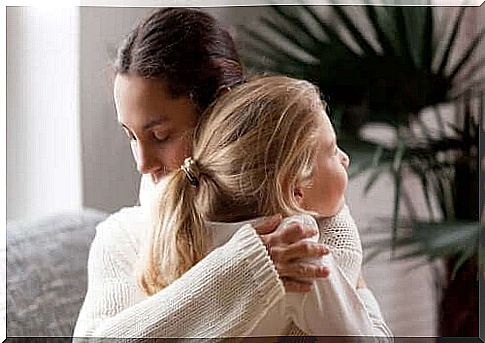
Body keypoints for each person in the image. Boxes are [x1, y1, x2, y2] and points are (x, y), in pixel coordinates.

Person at [73, 7, 391, 339]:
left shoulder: (312, 214)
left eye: (161, 136)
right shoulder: (123, 237)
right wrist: (246, 269)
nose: (142, 164)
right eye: (131, 136)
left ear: (219, 109)